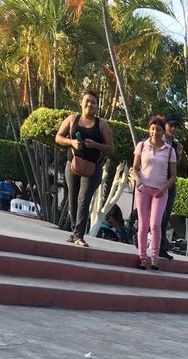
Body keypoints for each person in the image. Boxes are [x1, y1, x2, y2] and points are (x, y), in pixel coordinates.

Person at [55, 89, 115, 247]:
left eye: (94, 102)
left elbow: (110, 148)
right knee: (73, 199)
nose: (90, 104)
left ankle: (79, 236)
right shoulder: (72, 119)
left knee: (83, 200)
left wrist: (95, 145)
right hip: (73, 164)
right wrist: (71, 142)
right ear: (81, 103)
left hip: (93, 168)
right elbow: (58, 137)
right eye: (87, 101)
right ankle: (75, 232)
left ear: (97, 106)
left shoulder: (101, 124)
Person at [130, 114, 178, 270]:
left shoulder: (170, 150)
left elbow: (173, 176)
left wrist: (164, 189)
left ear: (163, 131)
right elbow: (135, 168)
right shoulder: (142, 146)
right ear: (149, 129)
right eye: (152, 129)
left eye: (158, 129)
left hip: (160, 191)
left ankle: (155, 258)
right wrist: (139, 180)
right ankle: (142, 257)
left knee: (155, 224)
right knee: (143, 225)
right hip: (143, 189)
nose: (155, 132)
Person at [158, 115, 183, 260]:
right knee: (157, 215)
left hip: (170, 182)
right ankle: (142, 236)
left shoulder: (176, 145)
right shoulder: (157, 139)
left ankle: (162, 247)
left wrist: (179, 156)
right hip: (157, 180)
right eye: (170, 125)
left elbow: (174, 166)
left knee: (165, 215)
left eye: (175, 126)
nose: (173, 129)